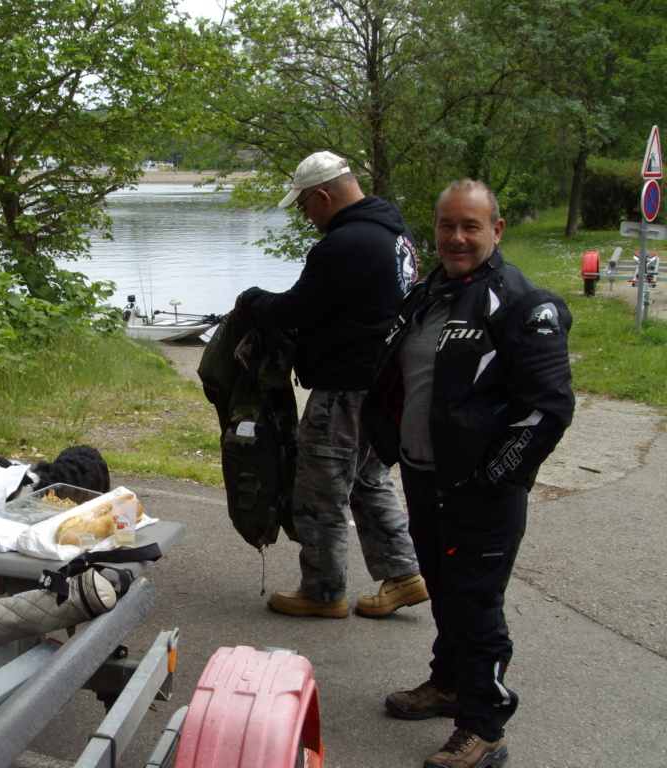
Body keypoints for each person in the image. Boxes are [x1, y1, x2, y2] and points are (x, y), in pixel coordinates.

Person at [362, 180, 575, 768]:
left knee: (476, 603)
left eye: (471, 226)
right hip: (425, 475)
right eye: (446, 225)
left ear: (496, 230)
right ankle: (450, 681)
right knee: (445, 590)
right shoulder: (427, 295)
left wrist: (491, 479)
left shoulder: (525, 305)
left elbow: (547, 410)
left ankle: (484, 727)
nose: (457, 237)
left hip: (481, 489)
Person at [237, 150, 427, 619]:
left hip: (346, 388)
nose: (305, 217)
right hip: (382, 385)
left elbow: (296, 309)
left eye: (304, 206)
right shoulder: (395, 233)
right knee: (366, 478)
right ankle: (404, 574)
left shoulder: (346, 244)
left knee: (319, 487)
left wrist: (254, 300)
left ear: (323, 196)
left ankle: (323, 591)